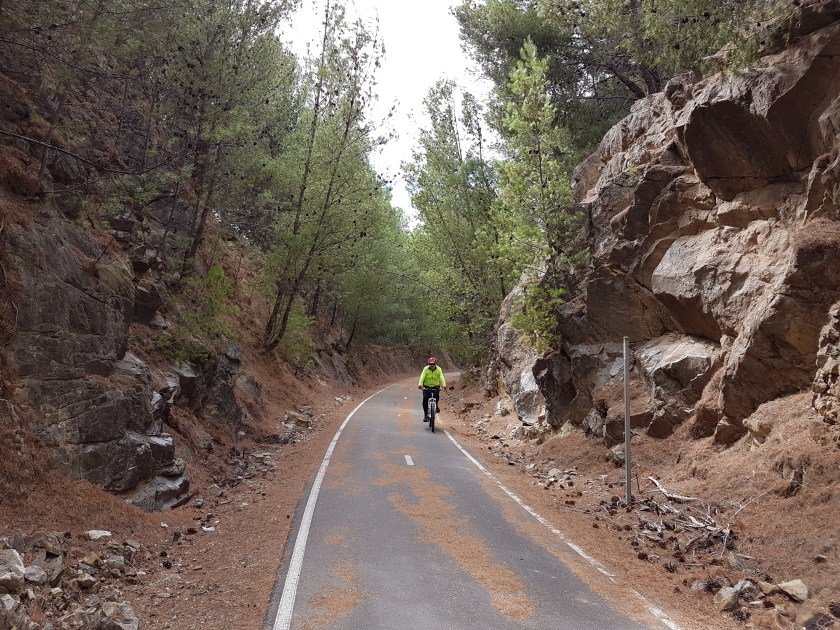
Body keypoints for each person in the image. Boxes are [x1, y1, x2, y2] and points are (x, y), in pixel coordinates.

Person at [417, 356, 446, 422]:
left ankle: (436, 405)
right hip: (426, 386)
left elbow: (441, 377)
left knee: (436, 397)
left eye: (433, 364)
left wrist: (444, 385)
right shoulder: (426, 369)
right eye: (431, 364)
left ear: (435, 364)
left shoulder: (439, 369)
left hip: (436, 386)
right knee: (425, 399)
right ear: (429, 364)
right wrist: (420, 384)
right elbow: (422, 376)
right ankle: (425, 415)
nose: (432, 365)